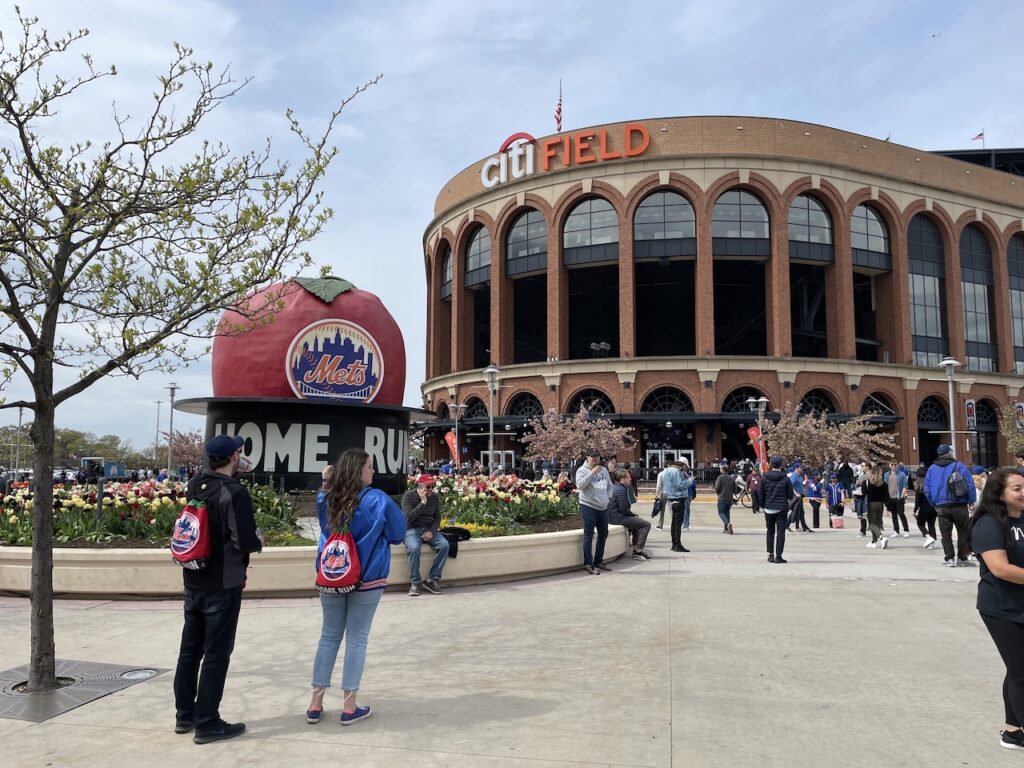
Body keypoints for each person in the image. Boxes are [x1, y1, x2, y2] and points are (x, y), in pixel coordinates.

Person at [173, 434, 263, 744]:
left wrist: (234, 468)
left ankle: (184, 715)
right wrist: (258, 541)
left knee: (190, 651)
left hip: (194, 577)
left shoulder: (197, 483)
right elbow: (244, 539)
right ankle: (208, 722)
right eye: (239, 451)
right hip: (223, 583)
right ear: (234, 456)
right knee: (216, 653)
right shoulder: (234, 492)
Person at [307, 450, 405, 726]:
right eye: (369, 467)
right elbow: (398, 534)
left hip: (332, 575)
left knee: (328, 637)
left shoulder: (326, 499)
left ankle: (316, 702)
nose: (373, 472)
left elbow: (322, 505)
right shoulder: (379, 500)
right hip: (367, 577)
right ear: (358, 471)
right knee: (357, 639)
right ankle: (349, 706)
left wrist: (326, 481)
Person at [967, 469, 1024, 750]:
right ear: (999, 493)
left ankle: (1013, 732)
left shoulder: (1022, 519)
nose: (1023, 492)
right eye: (1017, 488)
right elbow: (1001, 569)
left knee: (1016, 669)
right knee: (1021, 672)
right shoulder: (988, 524)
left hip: (1022, 603)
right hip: (1000, 607)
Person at [924, 444, 978, 567]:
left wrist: (933, 503)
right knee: (963, 532)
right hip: (960, 504)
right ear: (949, 453)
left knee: (945, 534)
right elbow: (970, 484)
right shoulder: (959, 466)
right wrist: (971, 501)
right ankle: (962, 558)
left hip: (942, 506)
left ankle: (949, 558)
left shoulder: (932, 469)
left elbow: (926, 488)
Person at [401, 473, 450, 596]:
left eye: (431, 486)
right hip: (412, 529)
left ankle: (432, 579)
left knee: (444, 545)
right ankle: (415, 583)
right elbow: (409, 517)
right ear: (419, 486)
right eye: (427, 487)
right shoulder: (408, 496)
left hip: (428, 528)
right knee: (414, 548)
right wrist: (422, 503)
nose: (430, 490)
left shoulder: (434, 497)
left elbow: (437, 518)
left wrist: (432, 531)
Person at [575, 449, 613, 574]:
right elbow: (580, 485)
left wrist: (608, 497)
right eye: (593, 457)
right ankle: (588, 564)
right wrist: (591, 473)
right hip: (588, 507)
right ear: (587, 457)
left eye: (597, 457)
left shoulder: (604, 470)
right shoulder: (582, 470)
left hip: (603, 508)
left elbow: (610, 485)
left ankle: (598, 561)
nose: (595, 460)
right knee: (588, 535)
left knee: (603, 534)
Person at [607, 469, 651, 560]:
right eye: (628, 477)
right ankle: (639, 551)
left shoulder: (618, 487)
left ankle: (636, 550)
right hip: (617, 517)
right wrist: (632, 515)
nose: (630, 479)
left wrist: (632, 515)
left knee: (637, 525)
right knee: (646, 524)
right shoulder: (620, 490)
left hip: (615, 516)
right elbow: (623, 508)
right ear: (622, 479)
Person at [757, 456, 794, 563]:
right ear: (781, 465)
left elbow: (760, 493)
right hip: (781, 508)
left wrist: (762, 505)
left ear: (771, 464)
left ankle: (770, 554)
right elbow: (790, 494)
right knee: (781, 532)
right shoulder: (785, 478)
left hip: (768, 508)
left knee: (770, 531)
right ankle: (779, 556)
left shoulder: (764, 477)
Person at [662, 460, 693, 553]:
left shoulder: (667, 470)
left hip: (671, 498)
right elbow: (680, 485)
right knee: (678, 524)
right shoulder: (676, 471)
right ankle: (677, 544)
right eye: (685, 466)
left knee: (674, 522)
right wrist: (690, 480)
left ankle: (674, 544)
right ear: (682, 465)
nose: (685, 468)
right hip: (678, 498)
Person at [864, 463, 889, 549]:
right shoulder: (883, 483)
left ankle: (882, 538)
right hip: (880, 504)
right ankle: (873, 541)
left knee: (871, 524)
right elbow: (886, 496)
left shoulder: (868, 482)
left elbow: (863, 493)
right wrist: (887, 507)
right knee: (877, 524)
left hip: (871, 504)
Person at [883, 462, 911, 537]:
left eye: (895, 465)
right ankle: (896, 530)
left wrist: (902, 496)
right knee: (894, 515)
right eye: (892, 465)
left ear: (897, 465)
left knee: (901, 513)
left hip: (898, 497)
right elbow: (885, 486)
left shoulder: (902, 474)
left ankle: (906, 530)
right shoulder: (886, 475)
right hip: (890, 497)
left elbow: (905, 485)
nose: (893, 466)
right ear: (889, 465)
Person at [913, 463, 938, 548]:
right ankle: (932, 542)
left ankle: (928, 536)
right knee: (931, 525)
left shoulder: (919, 488)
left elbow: (917, 501)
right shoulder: (932, 485)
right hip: (933, 508)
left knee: (920, 523)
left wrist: (914, 510)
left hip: (924, 508)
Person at [713, 466, 739, 534]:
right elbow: (735, 489)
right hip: (729, 498)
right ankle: (726, 529)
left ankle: (727, 524)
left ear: (722, 470)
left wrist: (717, 491)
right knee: (727, 513)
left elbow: (717, 488)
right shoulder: (731, 478)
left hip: (722, 497)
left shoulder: (720, 477)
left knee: (721, 513)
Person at [787, 465, 811, 533]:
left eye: (801, 468)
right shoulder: (794, 476)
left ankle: (804, 527)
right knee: (795, 511)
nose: (801, 469)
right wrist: (796, 493)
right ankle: (787, 525)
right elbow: (790, 486)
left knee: (801, 512)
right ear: (796, 468)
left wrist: (803, 491)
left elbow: (799, 486)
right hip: (795, 497)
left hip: (800, 497)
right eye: (799, 468)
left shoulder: (800, 476)